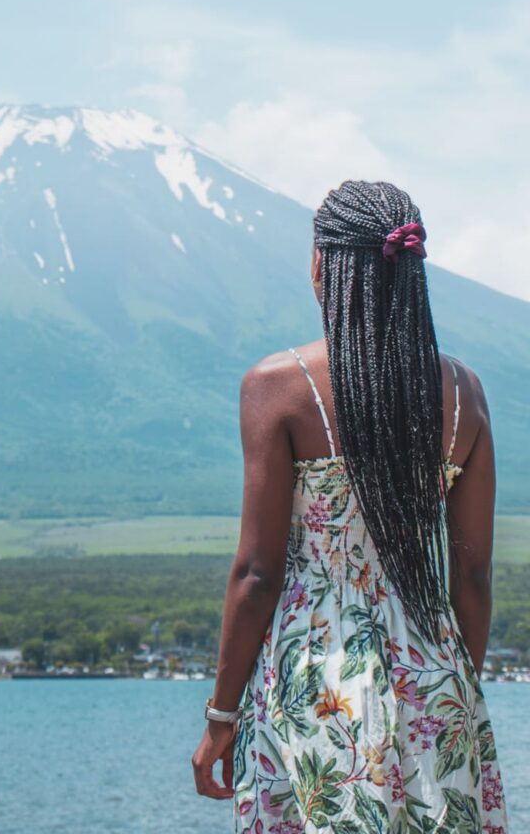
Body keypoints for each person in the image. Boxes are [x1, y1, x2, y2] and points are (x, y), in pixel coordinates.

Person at [191, 179, 509, 833]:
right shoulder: (464, 392)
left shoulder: (277, 388)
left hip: (318, 684)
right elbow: (472, 579)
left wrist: (221, 717)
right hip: (437, 679)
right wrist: (452, 690)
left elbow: (257, 573)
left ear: (321, 265)